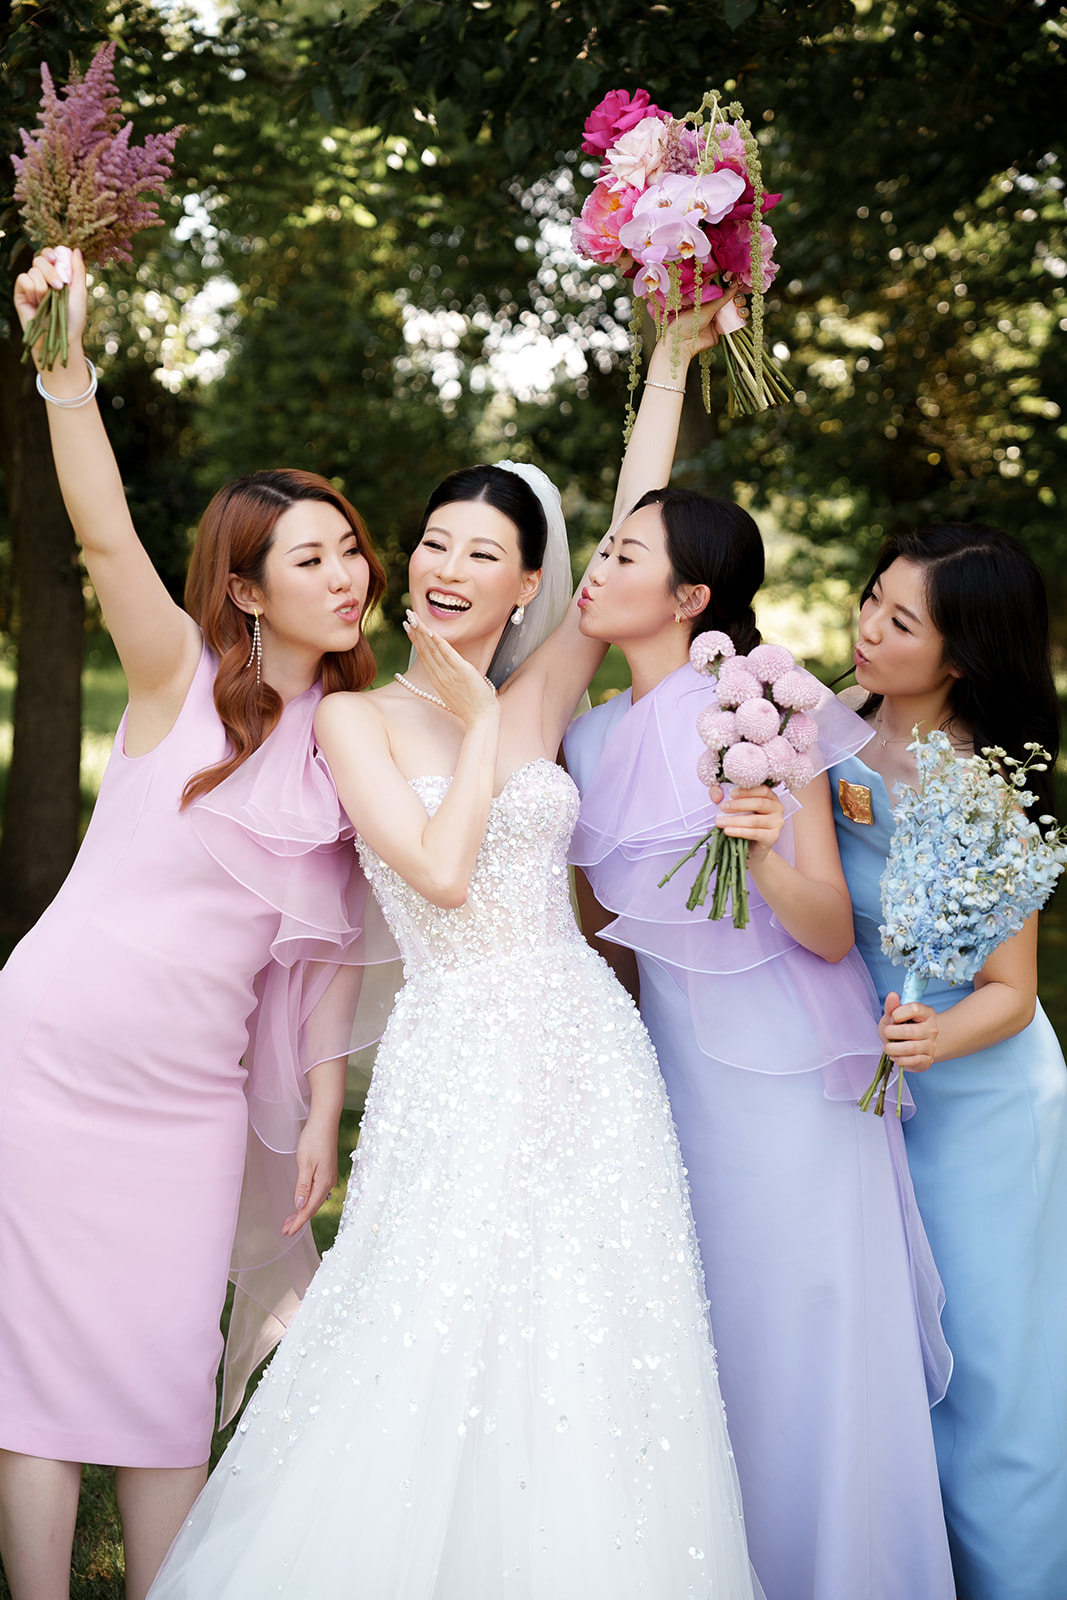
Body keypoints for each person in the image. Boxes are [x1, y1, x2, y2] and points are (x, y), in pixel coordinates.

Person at [148, 297, 763, 1599]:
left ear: (530, 583)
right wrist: (481, 726)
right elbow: (431, 871)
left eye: (484, 552)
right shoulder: (355, 721)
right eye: (432, 540)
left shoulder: (542, 687)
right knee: (425, 1312)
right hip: (455, 1045)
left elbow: (629, 520)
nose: (446, 565)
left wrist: (665, 358)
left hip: (586, 1047)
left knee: (597, 1323)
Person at [0, 247, 387, 1600]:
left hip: (194, 1093)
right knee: (43, 1369)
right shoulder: (177, 673)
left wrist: (322, 1110)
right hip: (58, 1051)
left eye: (349, 547)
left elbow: (326, 953)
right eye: (309, 557)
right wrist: (66, 374)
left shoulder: (356, 738)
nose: (345, 572)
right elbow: (105, 535)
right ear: (247, 588)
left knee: (168, 1364)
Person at [561, 332, 956, 1600]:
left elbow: (828, 928)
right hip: (671, 1077)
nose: (596, 567)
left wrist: (759, 846)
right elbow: (599, 929)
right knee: (710, 1337)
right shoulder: (586, 733)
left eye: (625, 555)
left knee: (806, 1331)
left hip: (789, 1076)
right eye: (602, 548)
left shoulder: (762, 704)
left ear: (689, 599)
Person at [830, 523, 1067, 1600]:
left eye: (900, 621)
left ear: (960, 655)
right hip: (867, 1085)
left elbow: (1010, 994)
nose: (866, 628)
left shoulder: (982, 791)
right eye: (871, 599)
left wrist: (931, 1037)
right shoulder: (834, 722)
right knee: (887, 1353)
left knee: (983, 1365)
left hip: (975, 1097)